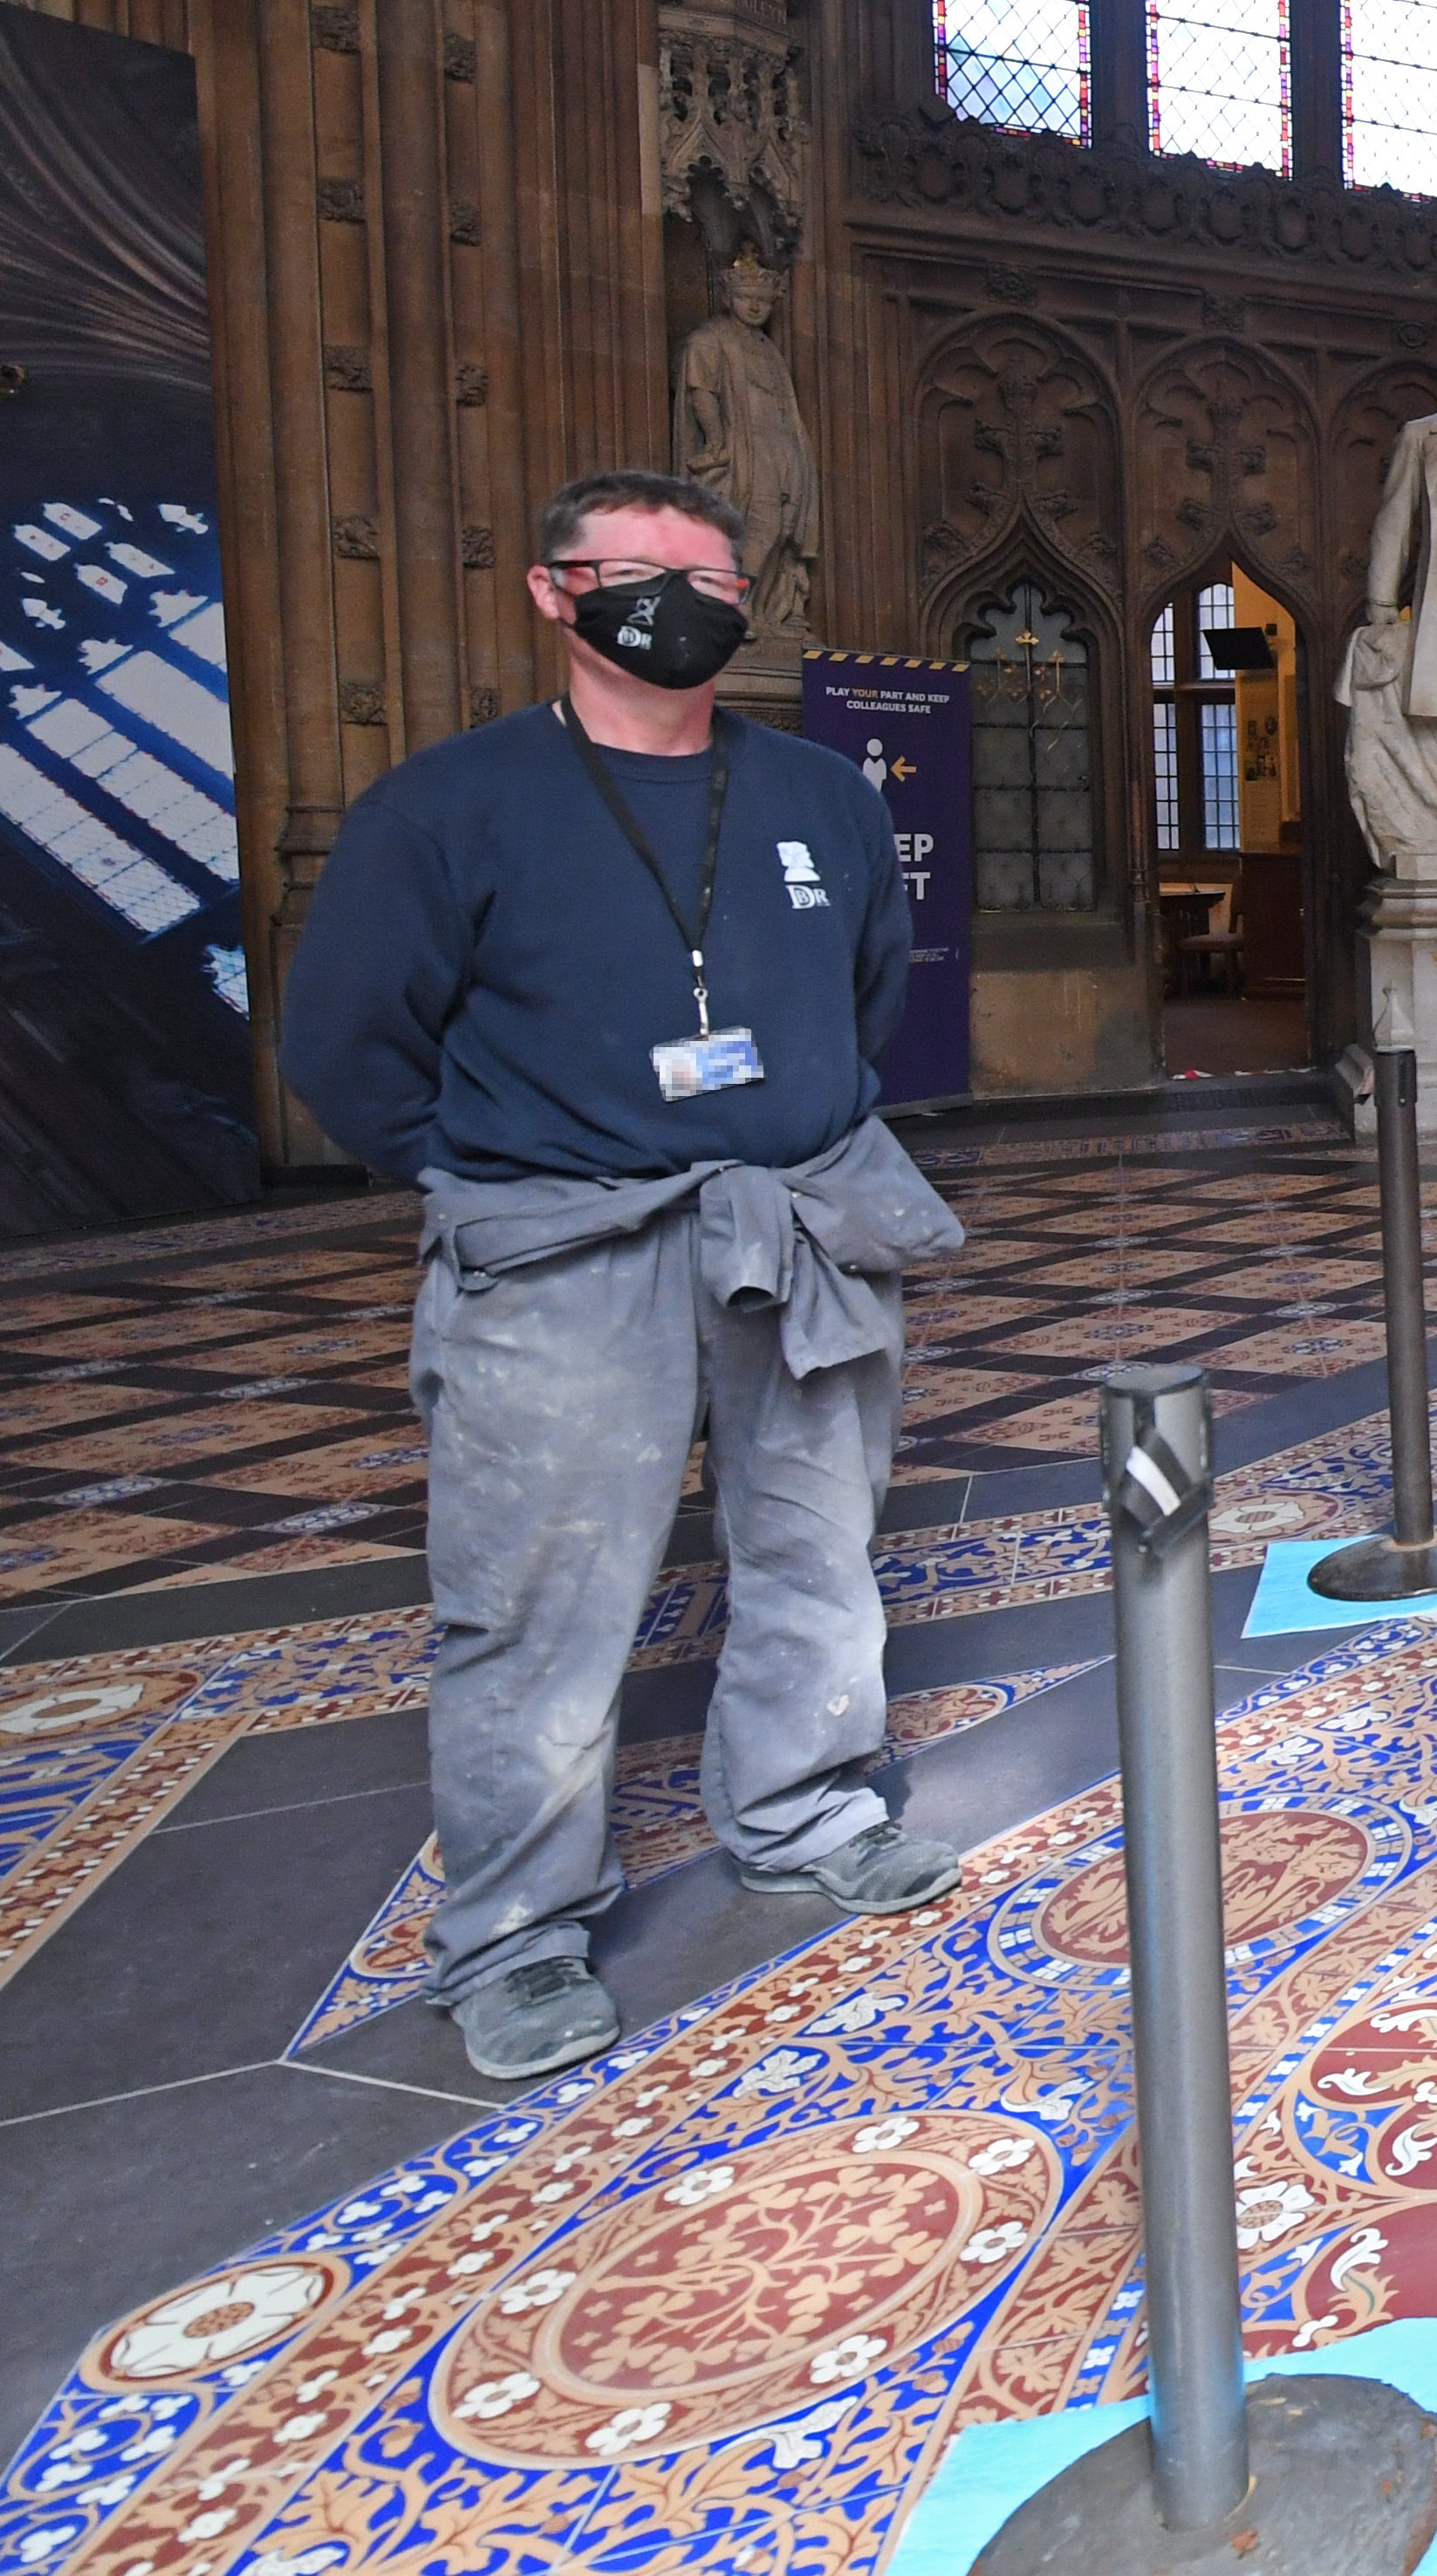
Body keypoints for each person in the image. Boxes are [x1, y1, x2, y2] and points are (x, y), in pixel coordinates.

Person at [281, 470, 965, 2085]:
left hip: (791, 1218)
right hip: (562, 1247)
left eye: (710, 574)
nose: (681, 599)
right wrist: (517, 1162)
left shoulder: (818, 794)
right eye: (639, 570)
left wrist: (764, 1117)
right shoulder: (447, 808)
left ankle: (803, 1805)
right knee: (540, 1593)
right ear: (554, 590)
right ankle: (514, 1934)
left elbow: (867, 992)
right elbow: (347, 1049)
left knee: (816, 1542)